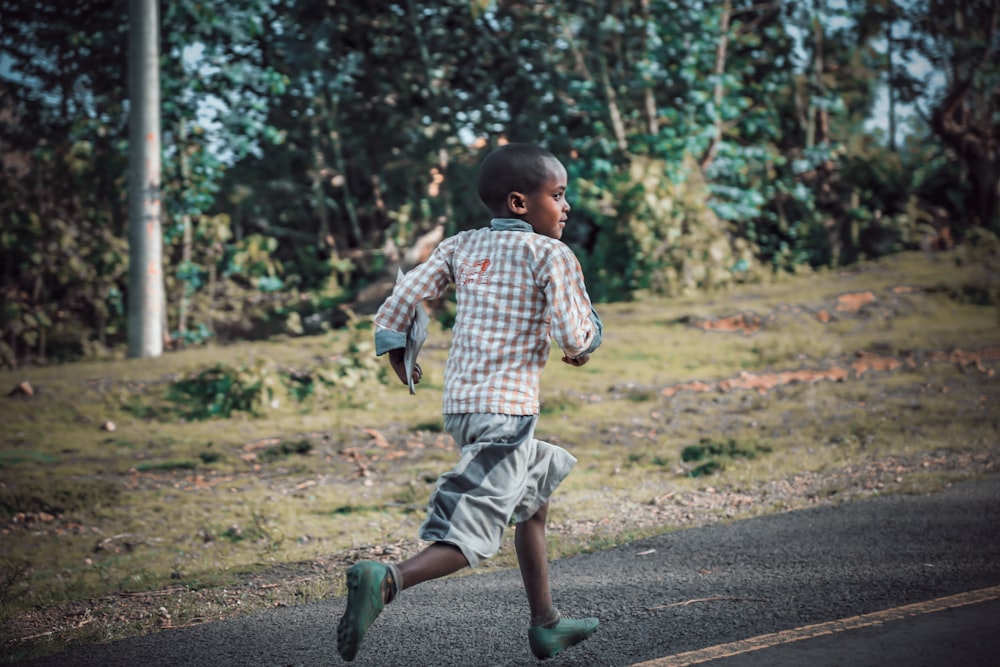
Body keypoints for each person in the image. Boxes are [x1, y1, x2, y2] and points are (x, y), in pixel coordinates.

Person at [336, 143, 604, 662]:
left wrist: (396, 348)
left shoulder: (461, 246)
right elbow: (575, 335)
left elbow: (403, 295)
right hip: (507, 413)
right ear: (521, 203)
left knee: (533, 500)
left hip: (464, 407)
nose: (566, 206)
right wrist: (585, 344)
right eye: (558, 194)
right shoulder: (551, 254)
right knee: (472, 533)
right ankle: (387, 580)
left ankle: (545, 622)